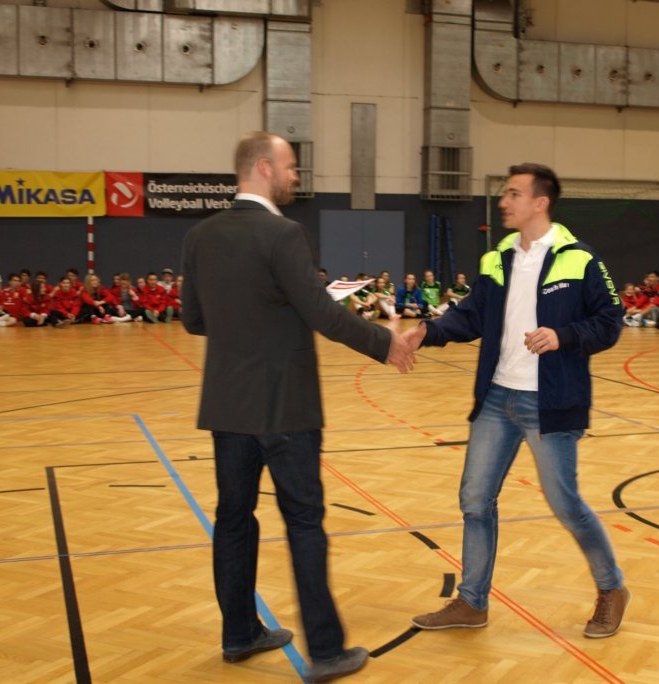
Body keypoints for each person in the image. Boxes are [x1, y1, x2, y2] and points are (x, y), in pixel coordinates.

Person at [180, 131, 413, 683]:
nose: (295, 177)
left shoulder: (200, 235)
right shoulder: (284, 233)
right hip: (286, 406)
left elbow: (193, 320)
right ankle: (326, 652)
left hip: (228, 406)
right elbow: (323, 315)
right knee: (304, 523)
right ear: (264, 167)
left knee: (233, 520)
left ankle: (239, 633)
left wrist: (248, 326)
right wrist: (386, 344)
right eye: (290, 167)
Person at [404, 163, 630, 639]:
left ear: (539, 202)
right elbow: (471, 316)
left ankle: (612, 588)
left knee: (565, 503)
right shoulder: (499, 257)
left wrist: (564, 335)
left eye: (513, 194)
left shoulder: (579, 258)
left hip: (550, 402)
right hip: (496, 398)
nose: (503, 202)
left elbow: (611, 320)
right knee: (475, 500)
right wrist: (427, 332)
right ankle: (472, 602)